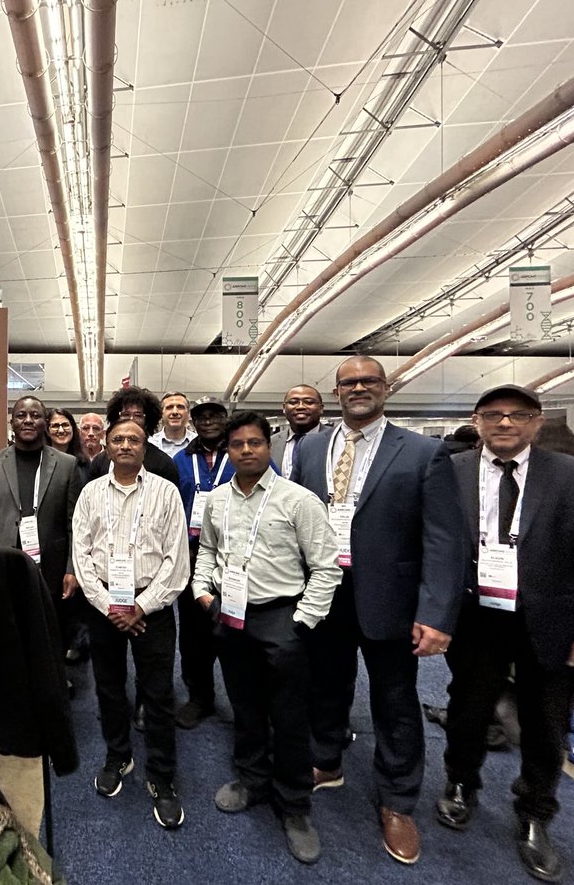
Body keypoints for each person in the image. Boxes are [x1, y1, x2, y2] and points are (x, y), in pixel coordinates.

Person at [437, 385, 574, 883]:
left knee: (545, 722)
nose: (504, 424)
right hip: (475, 616)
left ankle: (536, 812)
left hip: (551, 622)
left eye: (518, 415)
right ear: (476, 422)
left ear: (537, 423)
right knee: (467, 708)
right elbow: (433, 545)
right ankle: (460, 782)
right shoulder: (447, 472)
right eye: (493, 415)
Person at [290, 356, 464, 865]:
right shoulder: (311, 447)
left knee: (395, 700)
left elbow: (444, 540)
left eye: (369, 381)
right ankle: (326, 761)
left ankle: (397, 801)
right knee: (325, 683)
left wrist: (436, 613)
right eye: (348, 382)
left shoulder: (424, 452)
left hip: (390, 597)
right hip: (324, 591)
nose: (358, 388)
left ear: (386, 388)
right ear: (337, 391)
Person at [192, 411, 341, 864]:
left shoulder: (298, 500)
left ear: (268, 446)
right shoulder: (217, 500)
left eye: (254, 443)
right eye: (238, 445)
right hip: (230, 615)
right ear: (230, 450)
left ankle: (294, 805)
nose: (246, 451)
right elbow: (209, 552)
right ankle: (252, 780)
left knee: (290, 715)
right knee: (245, 706)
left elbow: (325, 567)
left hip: (282, 617)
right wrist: (202, 593)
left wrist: (301, 622)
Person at [72, 418, 190, 830]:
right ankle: (118, 756)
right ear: (105, 446)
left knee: (157, 694)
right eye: (118, 439)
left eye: (133, 439)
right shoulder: (89, 493)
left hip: (151, 609)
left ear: (145, 447)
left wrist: (140, 607)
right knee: (108, 687)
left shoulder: (166, 492)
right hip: (104, 605)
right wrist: (110, 607)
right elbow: (81, 557)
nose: (125, 445)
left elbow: (178, 562)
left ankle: (161, 777)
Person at [0, 397, 82, 660]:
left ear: (45, 423)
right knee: (7, 631)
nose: (28, 420)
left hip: (51, 567)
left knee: (49, 630)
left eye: (35, 415)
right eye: (21, 415)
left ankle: (51, 683)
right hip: (2, 562)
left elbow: (74, 523)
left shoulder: (66, 464)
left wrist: (71, 569)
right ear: (12, 422)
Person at [171, 397, 233, 729]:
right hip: (191, 559)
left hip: (235, 561)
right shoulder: (181, 460)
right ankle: (199, 698)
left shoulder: (240, 452)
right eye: (201, 418)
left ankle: (243, 698)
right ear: (193, 423)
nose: (208, 421)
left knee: (235, 631)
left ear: (226, 419)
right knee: (194, 635)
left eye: (215, 416)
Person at [85, 387, 180, 487]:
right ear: (116, 418)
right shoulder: (100, 462)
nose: (131, 419)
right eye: (125, 414)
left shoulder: (163, 463)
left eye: (138, 415)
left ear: (148, 420)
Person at [270, 385, 328, 478]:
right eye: (293, 402)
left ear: (321, 408)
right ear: (284, 408)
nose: (300, 407)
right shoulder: (271, 443)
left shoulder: (335, 439)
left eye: (309, 402)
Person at [46, 406, 91, 482]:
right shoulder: (41, 461)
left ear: (73, 429)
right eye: (55, 426)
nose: (61, 430)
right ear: (47, 431)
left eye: (65, 425)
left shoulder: (84, 463)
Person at [148, 392, 193, 458]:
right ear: (161, 413)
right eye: (169, 407)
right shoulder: (150, 443)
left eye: (180, 407)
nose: (175, 412)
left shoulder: (198, 442)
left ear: (188, 413)